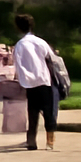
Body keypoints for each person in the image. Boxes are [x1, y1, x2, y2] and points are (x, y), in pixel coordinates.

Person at [12, 12, 58, 150]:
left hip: (29, 83)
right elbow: (51, 57)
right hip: (44, 80)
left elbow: (17, 64)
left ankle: (31, 141)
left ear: (18, 27)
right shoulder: (40, 42)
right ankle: (50, 141)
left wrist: (18, 79)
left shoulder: (20, 45)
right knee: (48, 111)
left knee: (32, 112)